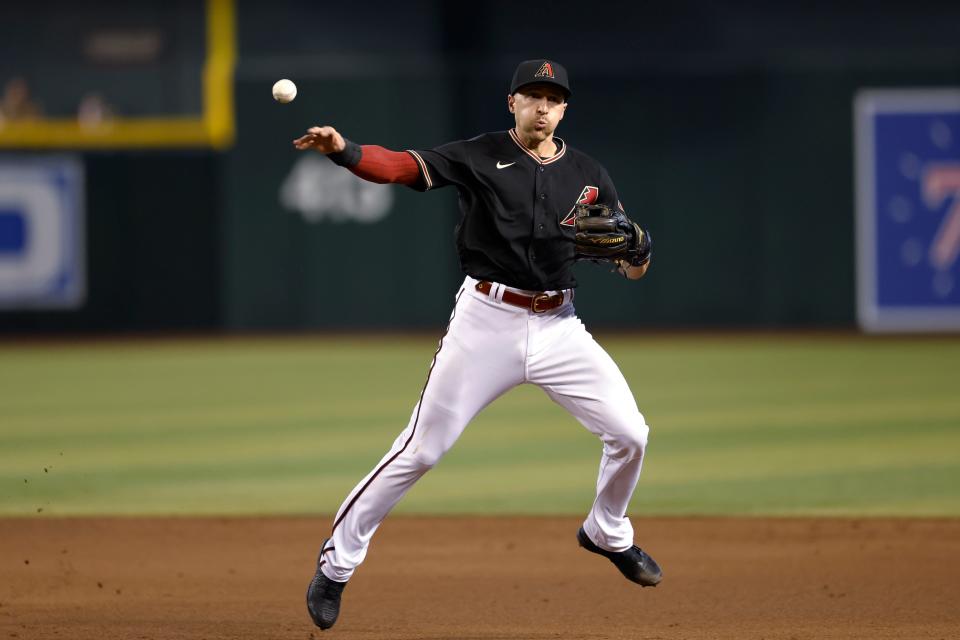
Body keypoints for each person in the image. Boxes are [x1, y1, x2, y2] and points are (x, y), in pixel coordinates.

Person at [293, 59, 660, 631]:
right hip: (487, 321)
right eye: (532, 95)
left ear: (564, 109)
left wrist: (637, 253)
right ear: (511, 102)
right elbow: (398, 168)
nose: (542, 106)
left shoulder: (589, 174)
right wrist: (345, 149)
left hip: (560, 326)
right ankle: (337, 566)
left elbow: (629, 267)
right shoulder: (477, 155)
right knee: (421, 449)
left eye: (553, 98)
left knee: (631, 433)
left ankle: (606, 531)